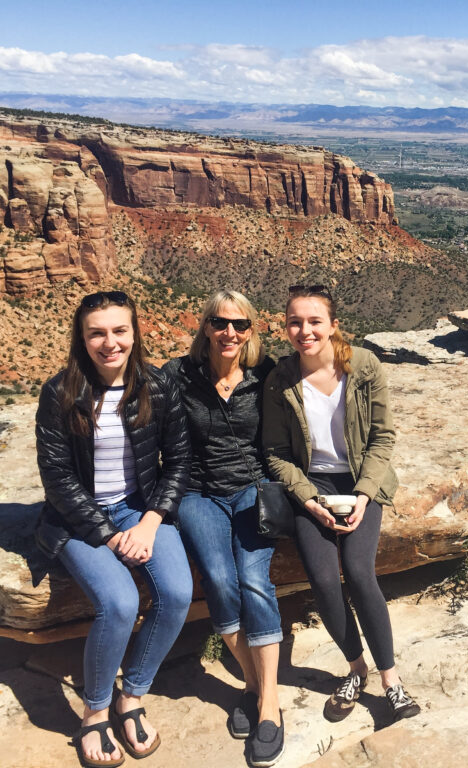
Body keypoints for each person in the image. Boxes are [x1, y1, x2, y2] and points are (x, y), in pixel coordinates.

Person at [34, 290, 192, 768]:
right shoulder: (60, 393)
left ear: (135, 332)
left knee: (178, 594)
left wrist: (149, 521)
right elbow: (57, 477)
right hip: (79, 519)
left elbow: (179, 461)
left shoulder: (156, 387)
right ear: (82, 339)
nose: (110, 342)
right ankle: (96, 709)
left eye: (119, 330)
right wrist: (108, 534)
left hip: (140, 510)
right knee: (119, 603)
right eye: (96, 333)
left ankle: (133, 694)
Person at [262, 284, 421, 724]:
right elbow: (275, 452)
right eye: (295, 321)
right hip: (311, 485)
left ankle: (391, 681)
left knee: (357, 570)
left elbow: (383, 436)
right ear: (286, 326)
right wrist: (308, 499)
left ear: (334, 325)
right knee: (323, 579)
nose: (305, 330)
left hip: (359, 482)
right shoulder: (281, 379)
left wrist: (365, 495)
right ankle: (356, 669)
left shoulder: (364, 366)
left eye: (315, 321)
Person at [163, 291, 284, 767]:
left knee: (254, 579)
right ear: (205, 327)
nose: (229, 332)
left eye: (240, 324)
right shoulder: (179, 374)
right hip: (197, 494)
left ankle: (268, 705)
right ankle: (254, 688)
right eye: (220, 323)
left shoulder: (266, 374)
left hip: (253, 490)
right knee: (217, 577)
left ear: (251, 330)